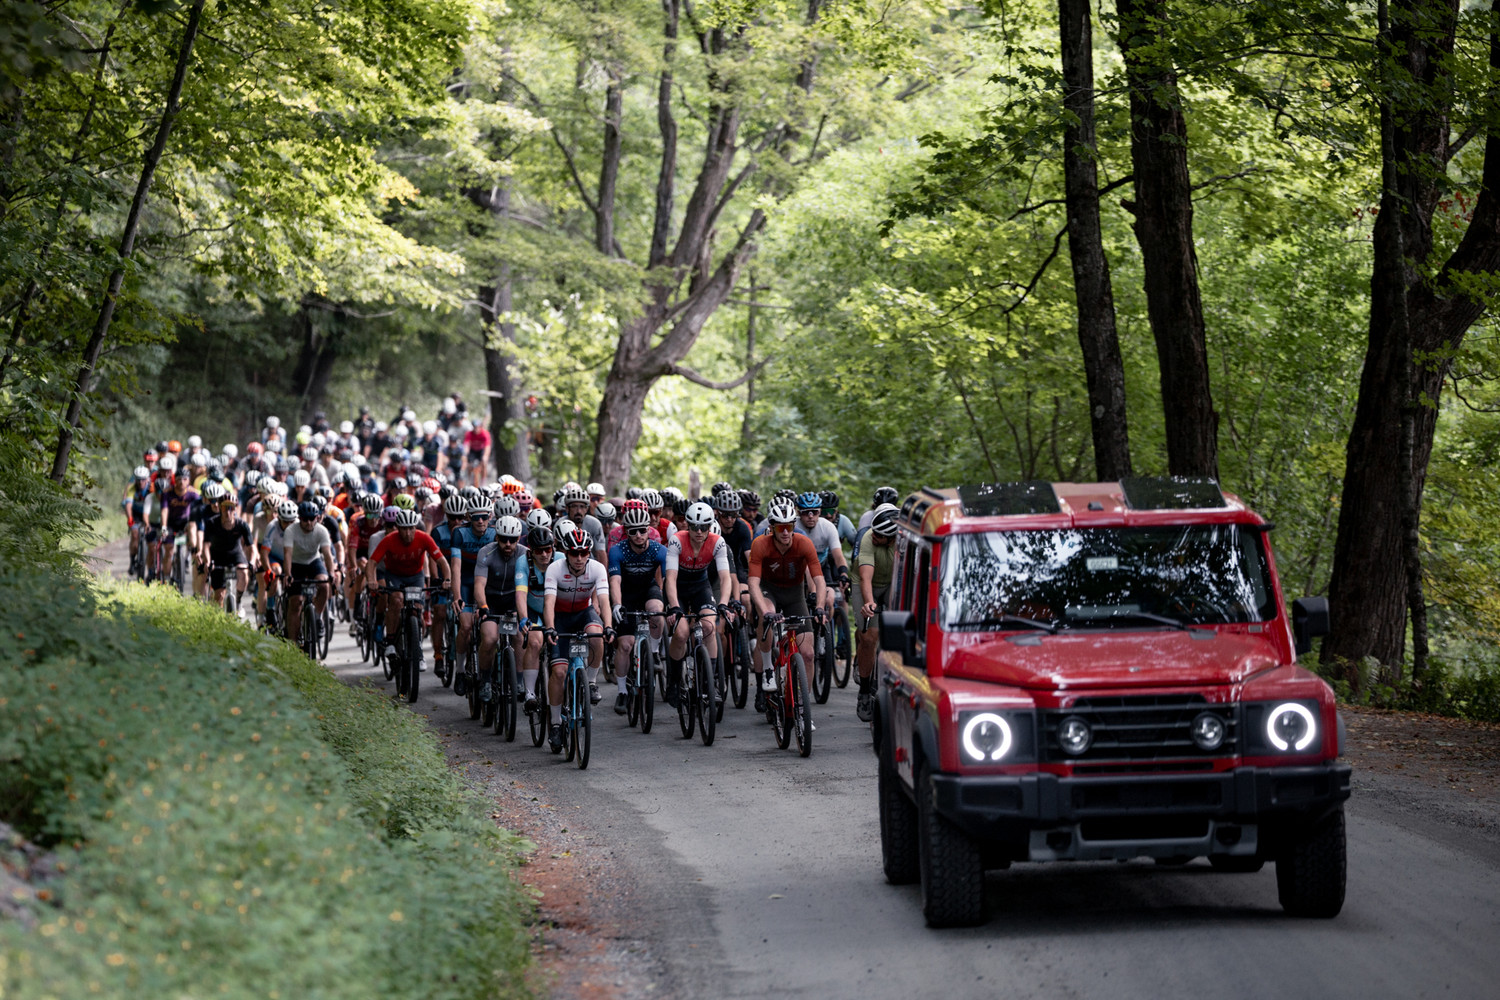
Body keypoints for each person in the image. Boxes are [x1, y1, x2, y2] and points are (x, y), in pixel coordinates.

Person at [541, 528, 612, 752]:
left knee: (596, 632)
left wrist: (609, 626)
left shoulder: (597, 568)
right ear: (566, 552)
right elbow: (549, 603)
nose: (579, 558)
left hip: (583, 613)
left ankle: (590, 682)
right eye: (574, 553)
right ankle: (554, 722)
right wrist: (550, 628)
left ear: (589, 552)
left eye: (584, 553)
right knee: (559, 672)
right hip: (560, 619)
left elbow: (604, 601)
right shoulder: (555, 568)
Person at [747, 498, 825, 703]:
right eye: (780, 527)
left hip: (794, 593)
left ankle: (802, 705)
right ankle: (767, 670)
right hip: (768, 589)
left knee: (807, 653)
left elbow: (819, 580)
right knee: (766, 619)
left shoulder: (804, 544)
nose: (785, 532)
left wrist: (819, 607)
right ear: (772, 528)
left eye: (789, 526)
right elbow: (753, 583)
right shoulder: (760, 544)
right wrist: (764, 611)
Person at [664, 501, 734, 708]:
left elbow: (725, 578)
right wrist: (675, 606)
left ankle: (709, 681)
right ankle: (674, 681)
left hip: (700, 587)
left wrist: (723, 603)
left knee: (709, 626)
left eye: (704, 527)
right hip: (679, 588)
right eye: (694, 527)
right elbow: (670, 578)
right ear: (688, 525)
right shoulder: (676, 541)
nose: (699, 532)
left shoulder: (718, 542)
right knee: (682, 633)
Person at [366, 507, 451, 667]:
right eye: (404, 529)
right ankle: (390, 641)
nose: (408, 533)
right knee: (396, 600)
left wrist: (447, 579)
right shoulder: (389, 540)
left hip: (415, 577)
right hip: (395, 576)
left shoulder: (424, 538)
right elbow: (372, 563)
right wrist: (372, 580)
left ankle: (417, 651)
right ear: (397, 528)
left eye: (411, 528)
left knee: (417, 610)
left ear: (415, 527)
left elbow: (441, 561)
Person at [608, 501, 668, 714]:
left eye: (643, 530)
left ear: (649, 531)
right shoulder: (617, 551)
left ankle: (653, 652)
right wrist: (616, 605)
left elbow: (669, 579)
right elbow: (614, 581)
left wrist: (671, 603)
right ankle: (623, 691)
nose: (639, 535)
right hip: (626, 594)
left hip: (648, 589)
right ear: (627, 533)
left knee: (656, 611)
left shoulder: (659, 550)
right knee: (624, 645)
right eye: (634, 532)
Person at [471, 514, 528, 707]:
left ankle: (519, 680)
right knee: (489, 638)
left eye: (512, 540)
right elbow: (479, 585)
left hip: (514, 601)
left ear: (519, 539)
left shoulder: (525, 554)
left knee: (520, 637)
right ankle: (485, 680)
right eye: (503, 539)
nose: (508, 544)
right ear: (497, 538)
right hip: (491, 601)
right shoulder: (485, 553)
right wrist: (484, 607)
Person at [854, 503, 899, 722]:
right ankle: (864, 691)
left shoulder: (904, 544)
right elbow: (866, 579)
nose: (874, 536)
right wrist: (870, 603)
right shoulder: (868, 538)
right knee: (869, 637)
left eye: (880, 536)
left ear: (892, 539)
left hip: (891, 584)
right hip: (865, 583)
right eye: (874, 531)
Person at [448, 495, 497, 681]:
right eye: (476, 517)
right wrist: (457, 596)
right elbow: (456, 567)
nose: (481, 521)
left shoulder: (495, 533)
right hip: (467, 582)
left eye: (484, 516)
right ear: (469, 517)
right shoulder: (459, 533)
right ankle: (460, 670)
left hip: (487, 584)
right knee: (466, 626)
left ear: (490, 516)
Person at [282, 500, 335, 650]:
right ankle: (292, 646)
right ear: (299, 518)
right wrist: (288, 574)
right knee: (296, 602)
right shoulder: (291, 531)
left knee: (324, 585)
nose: (309, 523)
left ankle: (317, 617)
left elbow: (327, 554)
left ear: (318, 518)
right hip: (296, 563)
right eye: (305, 519)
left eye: (313, 519)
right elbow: (287, 555)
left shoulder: (322, 531)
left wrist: (331, 573)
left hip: (313, 561)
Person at [201, 489, 257, 612]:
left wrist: (252, 562)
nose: (228, 512)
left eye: (231, 508)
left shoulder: (242, 525)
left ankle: (238, 601)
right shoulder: (212, 523)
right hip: (217, 555)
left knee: (243, 573)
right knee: (219, 596)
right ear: (220, 508)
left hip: (235, 553)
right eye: (225, 508)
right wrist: (208, 562)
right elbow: (206, 546)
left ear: (236, 509)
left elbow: (251, 547)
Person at [464, 418, 491, 488]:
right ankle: (469, 480)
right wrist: (465, 452)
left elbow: (487, 446)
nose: (476, 429)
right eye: (475, 427)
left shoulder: (485, 434)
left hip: (481, 450)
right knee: (469, 464)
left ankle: (483, 481)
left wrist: (485, 456)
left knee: (484, 463)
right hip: (473, 450)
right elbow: (466, 444)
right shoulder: (469, 433)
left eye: (478, 427)